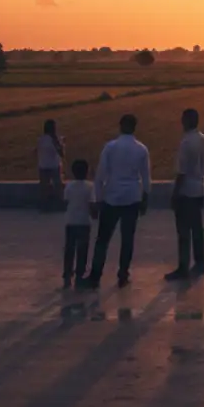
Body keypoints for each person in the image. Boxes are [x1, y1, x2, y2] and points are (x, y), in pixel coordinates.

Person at [83, 114, 151, 290]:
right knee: (127, 239)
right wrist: (145, 199)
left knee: (103, 239)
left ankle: (95, 275)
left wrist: (96, 200)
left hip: (111, 198)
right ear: (135, 127)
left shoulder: (110, 147)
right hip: (132, 198)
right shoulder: (141, 149)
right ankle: (123, 274)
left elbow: (99, 177)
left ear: (120, 125)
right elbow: (146, 178)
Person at [166, 108, 204, 280]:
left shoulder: (186, 143)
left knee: (184, 231)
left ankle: (183, 267)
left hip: (187, 191)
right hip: (200, 188)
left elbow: (182, 172)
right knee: (197, 228)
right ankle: (200, 263)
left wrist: (175, 194)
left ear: (186, 121)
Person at [62, 159, 94, 288]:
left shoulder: (69, 186)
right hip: (84, 222)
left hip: (70, 221)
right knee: (82, 249)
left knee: (69, 248)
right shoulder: (90, 186)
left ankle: (67, 272)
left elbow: (65, 201)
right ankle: (80, 273)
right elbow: (92, 204)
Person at [37, 119, 65, 211]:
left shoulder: (41, 138)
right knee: (58, 187)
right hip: (54, 166)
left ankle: (44, 207)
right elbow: (61, 153)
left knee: (44, 188)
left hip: (43, 165)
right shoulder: (55, 139)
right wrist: (61, 144)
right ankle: (60, 206)